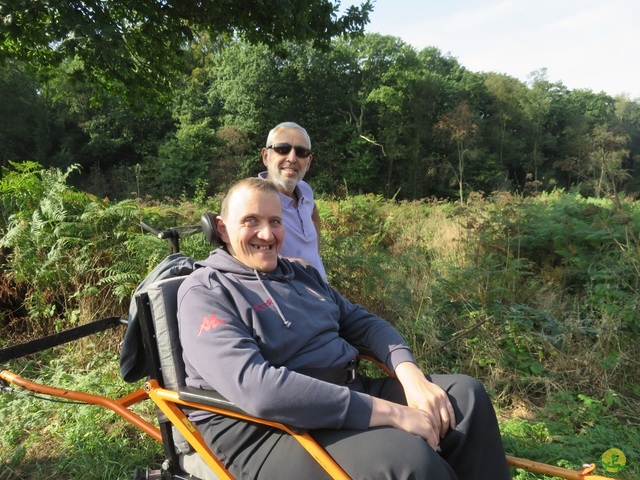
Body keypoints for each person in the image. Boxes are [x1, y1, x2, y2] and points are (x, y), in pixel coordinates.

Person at [177, 178, 511, 480]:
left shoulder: (300, 275)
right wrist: (392, 413)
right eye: (251, 221)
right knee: (408, 461)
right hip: (265, 429)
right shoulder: (206, 292)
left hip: (347, 390)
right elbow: (258, 389)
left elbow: (364, 324)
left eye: (275, 221)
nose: (267, 234)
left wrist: (412, 378)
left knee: (465, 398)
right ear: (222, 229)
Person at [259, 121, 327, 280]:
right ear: (266, 156)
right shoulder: (253, 199)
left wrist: (314, 251)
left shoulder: (305, 190)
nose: (292, 158)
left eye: (301, 152)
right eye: (282, 149)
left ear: (308, 162)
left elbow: (313, 213)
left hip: (322, 294)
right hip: (289, 298)